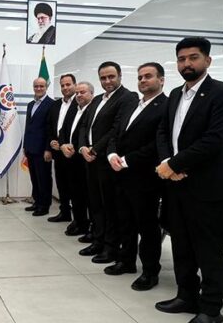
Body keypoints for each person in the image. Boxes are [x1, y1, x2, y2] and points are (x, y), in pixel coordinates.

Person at [155, 37, 223, 323]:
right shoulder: (175, 94)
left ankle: (210, 309)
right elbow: (163, 132)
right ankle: (186, 295)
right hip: (176, 183)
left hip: (208, 186)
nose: (187, 64)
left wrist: (174, 164)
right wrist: (168, 164)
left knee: (208, 249)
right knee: (181, 243)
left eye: (193, 58)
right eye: (182, 59)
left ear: (207, 60)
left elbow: (214, 139)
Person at [106, 62, 167, 291]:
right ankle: (127, 261)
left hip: (145, 177)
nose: (143, 80)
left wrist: (127, 160)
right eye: (140, 77)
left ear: (161, 80)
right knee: (125, 221)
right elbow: (116, 133)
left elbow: (157, 143)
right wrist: (112, 153)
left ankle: (150, 271)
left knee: (147, 227)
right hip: (122, 174)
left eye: (148, 76)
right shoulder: (133, 104)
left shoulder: (165, 106)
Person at [78, 61, 138, 264]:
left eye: (111, 76)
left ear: (120, 76)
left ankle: (111, 247)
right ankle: (98, 240)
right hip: (90, 159)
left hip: (107, 160)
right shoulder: (97, 99)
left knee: (109, 206)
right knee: (95, 203)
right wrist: (83, 147)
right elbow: (84, 125)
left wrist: (95, 149)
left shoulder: (128, 98)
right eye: (103, 78)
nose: (107, 81)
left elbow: (116, 129)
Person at [59, 82, 94, 237]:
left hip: (85, 159)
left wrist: (76, 146)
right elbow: (63, 130)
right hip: (70, 158)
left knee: (87, 195)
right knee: (75, 193)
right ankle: (79, 222)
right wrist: (62, 145)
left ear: (91, 94)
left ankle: (90, 226)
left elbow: (86, 134)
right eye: (77, 93)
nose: (79, 95)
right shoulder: (74, 109)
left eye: (83, 92)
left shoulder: (92, 110)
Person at [47, 74, 78, 223]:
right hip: (57, 151)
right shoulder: (55, 104)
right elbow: (50, 125)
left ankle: (78, 219)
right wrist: (52, 141)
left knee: (75, 185)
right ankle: (64, 212)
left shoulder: (79, 103)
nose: (65, 88)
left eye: (68, 84)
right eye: (62, 85)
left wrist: (64, 143)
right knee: (61, 183)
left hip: (73, 152)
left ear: (75, 85)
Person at [22, 77, 54, 216]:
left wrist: (48, 149)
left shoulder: (51, 104)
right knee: (34, 178)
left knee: (44, 178)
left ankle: (44, 205)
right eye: (36, 86)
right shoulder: (31, 104)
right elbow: (28, 127)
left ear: (46, 87)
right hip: (31, 148)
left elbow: (51, 129)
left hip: (43, 149)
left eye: (41, 86)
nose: (38, 88)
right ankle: (37, 201)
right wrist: (25, 146)